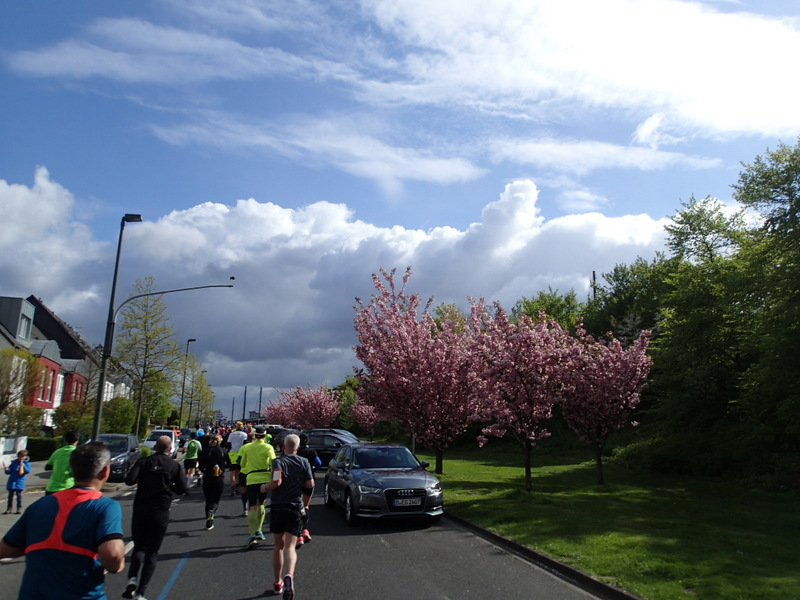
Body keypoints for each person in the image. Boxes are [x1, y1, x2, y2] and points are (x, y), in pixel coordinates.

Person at [0, 441, 125, 600]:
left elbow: (6, 549)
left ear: (72, 470)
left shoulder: (39, 505)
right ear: (105, 471)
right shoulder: (105, 507)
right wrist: (116, 564)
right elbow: (112, 553)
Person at [123, 435, 188, 600]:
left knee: (139, 547)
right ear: (170, 449)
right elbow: (182, 489)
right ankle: (141, 591)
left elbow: (129, 480)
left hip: (141, 509)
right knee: (152, 552)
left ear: (154, 447)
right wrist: (170, 485)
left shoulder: (143, 462)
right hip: (160, 511)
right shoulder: (173, 465)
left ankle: (131, 580)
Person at [262, 433, 314, 599]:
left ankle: (277, 582)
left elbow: (276, 482)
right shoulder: (304, 462)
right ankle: (289, 575)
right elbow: (310, 484)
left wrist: (264, 488)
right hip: (294, 507)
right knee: (290, 547)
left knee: (278, 545)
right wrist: (305, 503)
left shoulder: (278, 462)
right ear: (297, 448)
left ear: (283, 447)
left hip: (278, 507)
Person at [238, 426, 275, 550]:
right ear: (265, 436)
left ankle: (252, 535)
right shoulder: (268, 447)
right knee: (261, 503)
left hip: (251, 478)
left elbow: (242, 464)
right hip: (264, 478)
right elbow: (273, 461)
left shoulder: (248, 448)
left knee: (252, 505)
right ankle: (259, 529)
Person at [294, 434, 321, 547]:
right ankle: (305, 529)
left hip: (296, 480)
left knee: (296, 505)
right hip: (309, 479)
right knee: (306, 505)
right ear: (308, 441)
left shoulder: (297, 451)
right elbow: (319, 463)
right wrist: (314, 469)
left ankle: (298, 533)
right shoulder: (311, 451)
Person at [198, 434, 226, 530]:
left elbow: (200, 466)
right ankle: (212, 512)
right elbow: (229, 463)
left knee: (208, 499)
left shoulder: (204, 451)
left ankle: (208, 521)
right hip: (219, 477)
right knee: (216, 500)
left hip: (207, 477)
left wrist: (204, 469)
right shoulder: (223, 451)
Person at [45, 430, 79, 494]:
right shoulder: (77, 452)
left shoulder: (57, 451)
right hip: (67, 488)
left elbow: (47, 467)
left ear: (65, 440)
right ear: (77, 439)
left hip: (51, 488)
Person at [4, 449, 31, 514]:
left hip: (20, 481)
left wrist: (23, 466)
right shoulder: (13, 463)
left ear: (25, 457)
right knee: (10, 496)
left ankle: (19, 508)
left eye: (22, 456)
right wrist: (6, 469)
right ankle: (9, 508)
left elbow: (27, 471)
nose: (21, 458)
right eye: (20, 456)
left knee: (19, 496)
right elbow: (9, 472)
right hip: (12, 481)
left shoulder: (26, 463)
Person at [226, 421, 248, 495]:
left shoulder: (231, 434)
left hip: (232, 453)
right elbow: (245, 444)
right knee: (238, 471)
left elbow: (228, 444)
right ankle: (237, 486)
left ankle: (232, 487)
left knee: (232, 472)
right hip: (240, 453)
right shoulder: (244, 434)